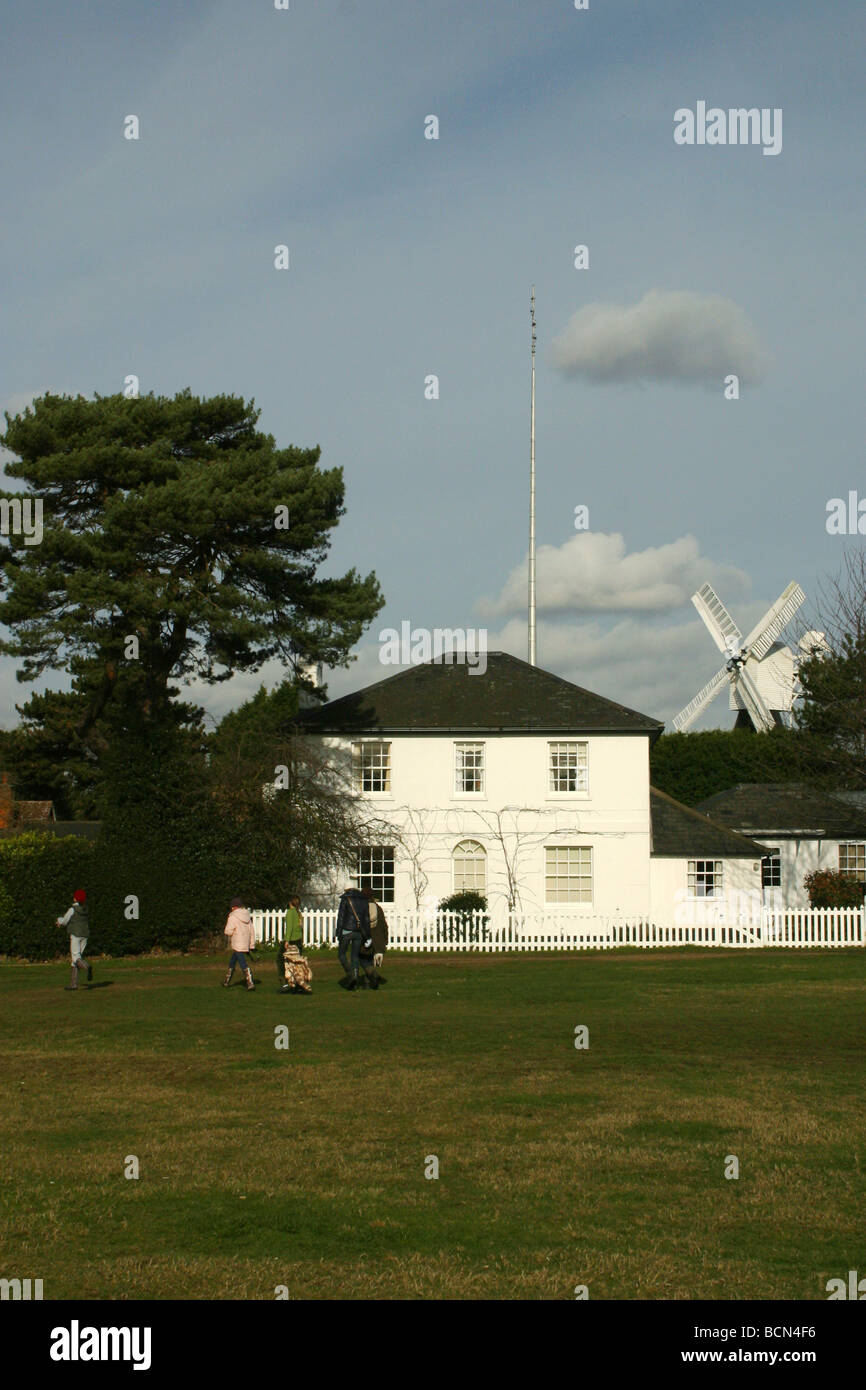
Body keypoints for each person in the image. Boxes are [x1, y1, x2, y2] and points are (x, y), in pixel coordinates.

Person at [335, 886, 370, 990]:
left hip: (346, 930)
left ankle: (351, 975)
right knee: (355, 956)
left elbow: (341, 916)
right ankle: (355, 980)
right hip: (358, 931)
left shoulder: (346, 899)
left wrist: (338, 931)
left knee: (341, 954)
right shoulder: (364, 900)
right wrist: (367, 934)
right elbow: (366, 918)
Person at [56, 889, 92, 992]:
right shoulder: (85, 909)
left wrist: (59, 920)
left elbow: (65, 921)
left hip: (76, 935)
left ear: (75, 898)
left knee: (76, 958)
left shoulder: (73, 909)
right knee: (77, 958)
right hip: (85, 935)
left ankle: (87, 967)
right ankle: (73, 984)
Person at [278, 896, 312, 994]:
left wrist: (286, 941)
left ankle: (286, 982)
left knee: (281, 960)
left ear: (290, 903)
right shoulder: (298, 913)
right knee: (297, 964)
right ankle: (300, 983)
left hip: (291, 940)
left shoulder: (290, 912)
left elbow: (289, 928)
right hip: (298, 940)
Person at [222, 897, 256, 990]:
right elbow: (252, 931)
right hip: (245, 943)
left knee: (242, 963)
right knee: (233, 961)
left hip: (237, 943)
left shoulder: (232, 917)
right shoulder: (247, 917)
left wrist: (228, 931)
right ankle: (226, 981)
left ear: (233, 907)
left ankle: (250, 982)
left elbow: (228, 931)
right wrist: (251, 945)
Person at [358, 887, 388, 989]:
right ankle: (368, 984)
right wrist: (385, 940)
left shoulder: (361, 909)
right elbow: (384, 926)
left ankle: (374, 975)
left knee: (363, 960)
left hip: (365, 940)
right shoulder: (378, 909)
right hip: (378, 941)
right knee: (370, 961)